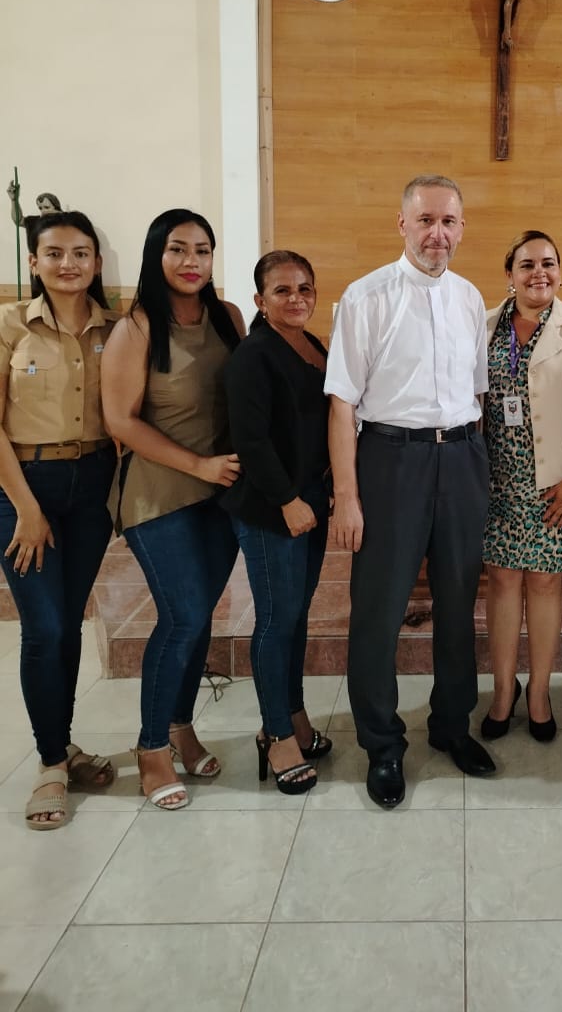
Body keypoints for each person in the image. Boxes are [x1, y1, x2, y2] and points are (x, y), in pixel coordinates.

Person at [326, 175, 494, 809]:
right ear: (402, 224)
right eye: (425, 220)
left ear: (461, 227)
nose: (437, 234)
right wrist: (348, 495)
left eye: (448, 221)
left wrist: (473, 466)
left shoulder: (470, 297)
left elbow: (475, 392)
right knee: (379, 608)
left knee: (458, 602)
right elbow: (342, 404)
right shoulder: (366, 296)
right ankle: (382, 743)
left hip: (462, 458)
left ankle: (451, 724)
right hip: (391, 461)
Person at [102, 209, 244, 810]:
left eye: (203, 250)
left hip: (221, 493)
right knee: (182, 616)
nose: (192, 262)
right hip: (159, 494)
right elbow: (120, 420)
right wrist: (199, 466)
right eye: (178, 249)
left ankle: (181, 726)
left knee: (200, 617)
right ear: (156, 255)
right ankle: (152, 747)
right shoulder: (135, 328)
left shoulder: (228, 316)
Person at [0, 211, 118, 829]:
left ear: (96, 262)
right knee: (44, 627)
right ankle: (49, 764)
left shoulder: (116, 329)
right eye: (54, 253)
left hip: (92, 486)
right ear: (33, 261)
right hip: (25, 486)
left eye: (80, 253)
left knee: (69, 623)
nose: (68, 264)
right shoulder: (9, 326)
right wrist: (26, 509)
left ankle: (62, 743)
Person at [481, 231, 562, 743]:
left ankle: (537, 692)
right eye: (527, 264)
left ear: (560, 271)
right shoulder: (485, 324)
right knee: (501, 582)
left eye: (548, 263)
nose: (539, 273)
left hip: (554, 484)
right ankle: (502, 690)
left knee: (545, 583)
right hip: (494, 481)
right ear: (509, 274)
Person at [222, 250, 333, 796]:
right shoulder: (253, 355)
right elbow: (251, 439)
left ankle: (294, 713)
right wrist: (288, 499)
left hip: (311, 500)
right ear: (260, 300)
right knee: (275, 620)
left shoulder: (314, 346)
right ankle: (275, 734)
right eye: (282, 290)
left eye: (304, 288)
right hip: (273, 506)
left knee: (296, 615)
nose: (296, 299)